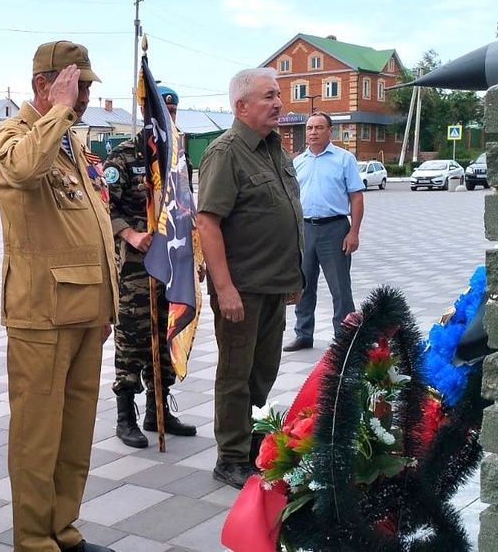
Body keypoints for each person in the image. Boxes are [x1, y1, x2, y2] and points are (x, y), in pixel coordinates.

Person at [0, 42, 119, 552]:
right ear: (43, 85)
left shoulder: (69, 141)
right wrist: (61, 109)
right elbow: (24, 170)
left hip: (86, 308)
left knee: (74, 433)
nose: (85, 95)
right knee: (38, 436)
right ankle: (33, 539)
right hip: (42, 313)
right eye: (77, 85)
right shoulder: (17, 134)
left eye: (87, 86)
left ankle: (62, 528)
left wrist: (107, 302)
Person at [195, 68, 303, 488]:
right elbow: (208, 223)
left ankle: (243, 429)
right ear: (241, 106)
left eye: (278, 94)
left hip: (274, 284)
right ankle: (232, 456)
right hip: (241, 288)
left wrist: (293, 276)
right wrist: (224, 288)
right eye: (267, 96)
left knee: (264, 369)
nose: (278, 103)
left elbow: (287, 215)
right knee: (236, 375)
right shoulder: (226, 152)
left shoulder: (276, 150)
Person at [103, 84, 197, 448]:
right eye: (161, 111)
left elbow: (184, 209)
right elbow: (104, 209)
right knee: (132, 340)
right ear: (147, 112)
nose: (166, 117)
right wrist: (130, 235)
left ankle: (158, 410)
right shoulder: (124, 157)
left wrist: (195, 257)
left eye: (171, 112)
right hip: (135, 271)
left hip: (171, 267)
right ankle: (124, 416)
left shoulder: (175, 160)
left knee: (166, 334)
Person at [283, 112, 364, 352]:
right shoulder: (297, 163)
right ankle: (303, 333)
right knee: (303, 284)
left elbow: (356, 198)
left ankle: (344, 338)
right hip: (305, 229)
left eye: (319, 127)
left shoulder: (344, 159)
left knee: (340, 287)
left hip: (335, 229)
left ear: (330, 131)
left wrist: (354, 233)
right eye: (309, 128)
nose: (313, 132)